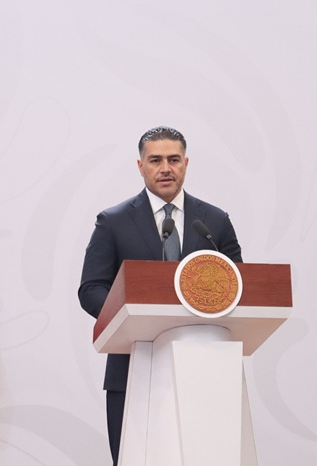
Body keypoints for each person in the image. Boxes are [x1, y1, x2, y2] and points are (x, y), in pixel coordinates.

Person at [77, 126, 242, 465]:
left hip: (207, 368)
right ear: (141, 166)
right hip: (133, 366)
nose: (165, 168)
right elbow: (91, 288)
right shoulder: (113, 221)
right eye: (155, 160)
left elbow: (239, 284)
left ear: (186, 164)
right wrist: (133, 320)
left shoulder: (214, 221)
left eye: (173, 159)